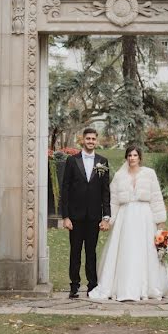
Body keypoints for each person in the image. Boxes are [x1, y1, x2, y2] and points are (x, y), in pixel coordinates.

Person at [88, 145, 168, 301]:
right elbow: (113, 201)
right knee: (126, 249)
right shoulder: (119, 176)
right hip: (126, 217)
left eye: (135, 155)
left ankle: (149, 287)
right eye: (129, 155)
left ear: (139, 158)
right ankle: (124, 287)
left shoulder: (149, 174)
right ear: (126, 158)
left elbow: (156, 197)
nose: (132, 158)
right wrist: (108, 219)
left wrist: (160, 221)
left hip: (145, 216)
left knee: (145, 250)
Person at [59, 127, 111, 299]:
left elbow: (105, 191)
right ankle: (74, 286)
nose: (90, 141)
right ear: (82, 140)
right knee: (75, 251)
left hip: (94, 216)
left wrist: (106, 216)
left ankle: (92, 286)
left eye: (93, 139)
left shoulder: (102, 162)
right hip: (75, 216)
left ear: (97, 141)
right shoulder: (72, 161)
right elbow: (64, 189)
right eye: (87, 138)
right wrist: (65, 216)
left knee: (91, 252)